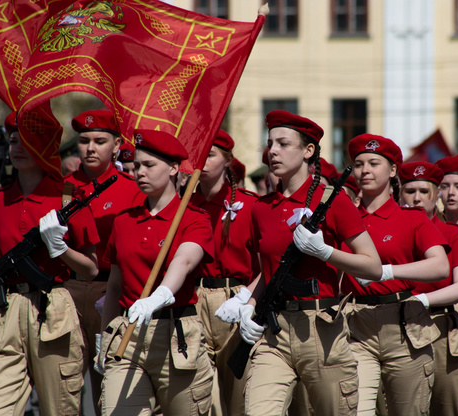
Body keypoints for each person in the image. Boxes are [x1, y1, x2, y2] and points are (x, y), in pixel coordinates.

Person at [236, 111, 381, 415]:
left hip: (321, 331)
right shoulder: (261, 209)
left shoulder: (333, 200)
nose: (272, 151)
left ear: (308, 151)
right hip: (274, 333)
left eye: (283, 143)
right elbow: (269, 273)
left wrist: (325, 252)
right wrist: (249, 308)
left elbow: (372, 267)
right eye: (269, 143)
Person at [0, 111, 100, 416]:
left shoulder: (67, 199)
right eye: (12, 140)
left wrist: (60, 249)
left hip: (52, 309)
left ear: (43, 145)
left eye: (25, 141)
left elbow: (91, 267)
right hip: (5, 312)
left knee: (60, 408)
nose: (16, 147)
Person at [98, 129, 215, 415]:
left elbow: (184, 261)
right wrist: (104, 336)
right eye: (137, 165)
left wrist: (160, 294)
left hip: (175, 335)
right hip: (129, 334)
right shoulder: (124, 221)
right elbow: (114, 285)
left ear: (174, 168)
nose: (140, 172)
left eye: (149, 165)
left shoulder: (194, 218)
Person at [340, 134, 450, 416]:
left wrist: (386, 272)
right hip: (356, 325)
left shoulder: (412, 218)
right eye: (359, 164)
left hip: (403, 323)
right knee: (354, 410)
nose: (364, 170)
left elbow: (439, 266)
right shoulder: (344, 218)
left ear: (392, 171)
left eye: (374, 163)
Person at [65, 108, 142, 415]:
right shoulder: (63, 188)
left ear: (117, 144)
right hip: (67, 291)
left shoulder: (133, 189)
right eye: (84, 140)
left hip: (109, 291)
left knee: (107, 383)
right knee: (65, 384)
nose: (91, 148)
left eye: (100, 140)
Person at [191, 129, 259, 415]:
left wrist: (246, 298)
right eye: (199, 153)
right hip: (193, 301)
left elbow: (267, 265)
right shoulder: (184, 205)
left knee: (237, 399)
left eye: (211, 154)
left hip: (236, 301)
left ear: (228, 160)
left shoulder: (251, 205)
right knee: (194, 395)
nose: (203, 161)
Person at [399, 161, 458, 416]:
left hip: (440, 327)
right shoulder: (391, 231)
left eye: (424, 191)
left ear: (437, 194)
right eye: (410, 191)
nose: (416, 198)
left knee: (447, 405)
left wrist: (420, 300)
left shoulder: (452, 233)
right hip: (396, 327)